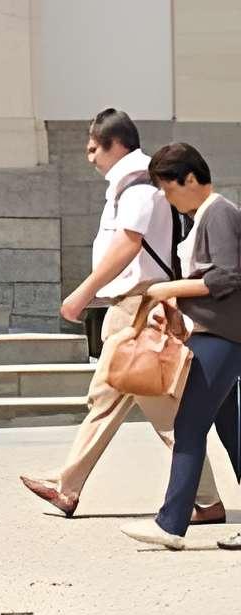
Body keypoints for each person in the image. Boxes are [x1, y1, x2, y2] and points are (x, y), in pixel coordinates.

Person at [20, 108, 224, 522]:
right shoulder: (132, 186)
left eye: (93, 147)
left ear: (115, 145)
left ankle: (71, 488)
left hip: (137, 307)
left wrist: (81, 294)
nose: (89, 156)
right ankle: (73, 486)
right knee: (122, 402)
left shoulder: (138, 188)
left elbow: (128, 245)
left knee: (144, 408)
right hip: (134, 306)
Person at [123, 143, 241, 550]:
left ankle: (170, 525)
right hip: (217, 334)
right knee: (233, 432)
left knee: (189, 426)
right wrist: (176, 302)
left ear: (190, 178)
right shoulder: (204, 216)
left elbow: (227, 277)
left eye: (168, 188)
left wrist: (169, 289)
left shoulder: (219, 212)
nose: (167, 198)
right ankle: (171, 523)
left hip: (222, 336)